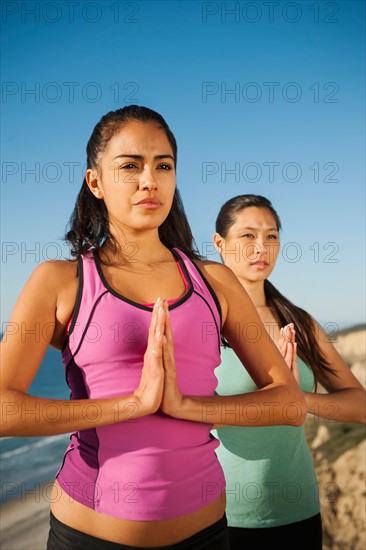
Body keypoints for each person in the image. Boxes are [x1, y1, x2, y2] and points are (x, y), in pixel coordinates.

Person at [0, 107, 307, 550]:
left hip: (206, 534)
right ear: (95, 183)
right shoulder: (60, 281)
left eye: (163, 165)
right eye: (129, 166)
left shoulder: (214, 280)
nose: (150, 180)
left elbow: (288, 404)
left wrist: (186, 406)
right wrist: (133, 404)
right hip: (90, 537)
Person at [212, 194, 366, 550]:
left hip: (296, 514)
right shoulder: (202, 323)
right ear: (220, 243)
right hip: (216, 516)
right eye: (247, 236)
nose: (260, 248)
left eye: (271, 236)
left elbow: (359, 405)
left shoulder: (300, 323)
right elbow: (177, 411)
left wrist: (302, 400)